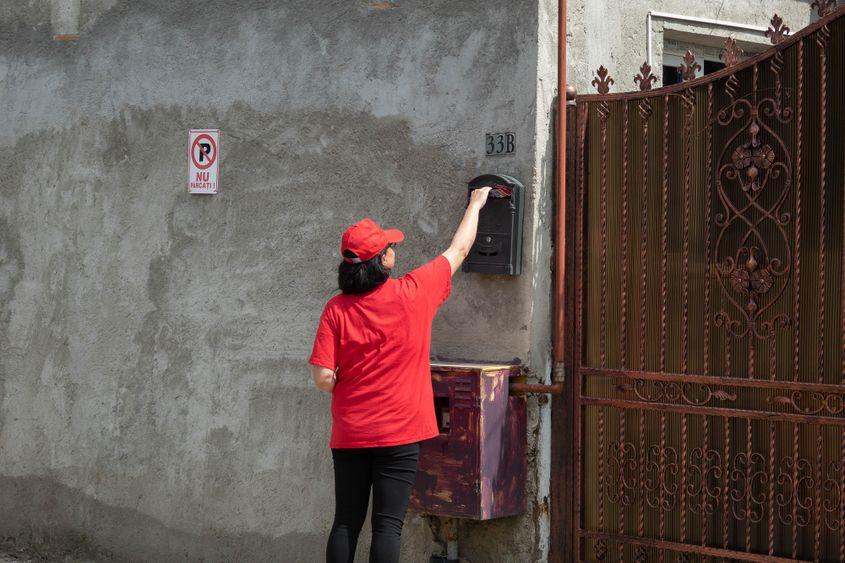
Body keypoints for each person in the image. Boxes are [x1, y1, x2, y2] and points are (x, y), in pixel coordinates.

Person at [309, 187, 492, 563]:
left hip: (351, 432)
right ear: (383, 261)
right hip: (400, 431)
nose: (394, 249)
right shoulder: (413, 293)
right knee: (387, 526)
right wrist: (476, 204)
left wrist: (349, 384)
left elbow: (323, 377)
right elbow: (458, 250)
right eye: (390, 246)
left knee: (346, 521)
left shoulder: (336, 309)